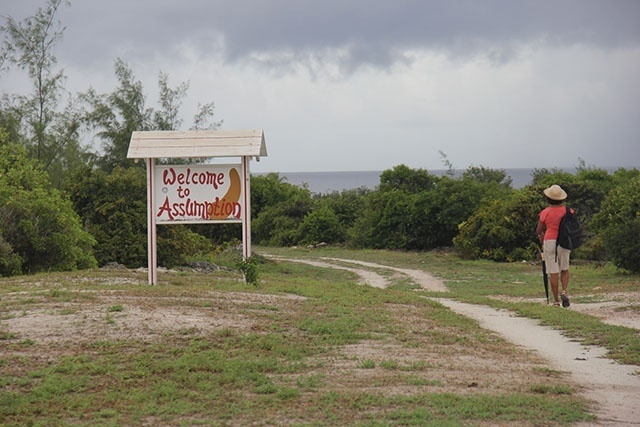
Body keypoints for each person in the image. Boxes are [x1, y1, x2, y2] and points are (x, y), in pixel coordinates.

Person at [536, 184, 571, 307]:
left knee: (553, 271)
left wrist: (541, 235)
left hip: (550, 241)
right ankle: (564, 291)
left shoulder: (545, 212)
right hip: (564, 241)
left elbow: (538, 230)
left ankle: (556, 301)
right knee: (565, 268)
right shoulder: (568, 211)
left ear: (548, 198)